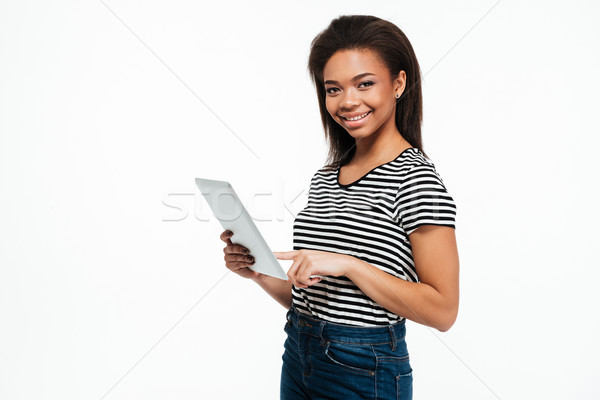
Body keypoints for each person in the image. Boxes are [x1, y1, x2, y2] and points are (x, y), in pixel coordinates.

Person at [220, 14, 459, 400]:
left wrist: (348, 264)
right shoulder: (327, 177)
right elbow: (322, 299)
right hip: (299, 349)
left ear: (398, 83)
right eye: (333, 89)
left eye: (364, 84)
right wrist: (258, 274)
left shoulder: (416, 180)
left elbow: (444, 311)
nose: (348, 101)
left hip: (364, 368)